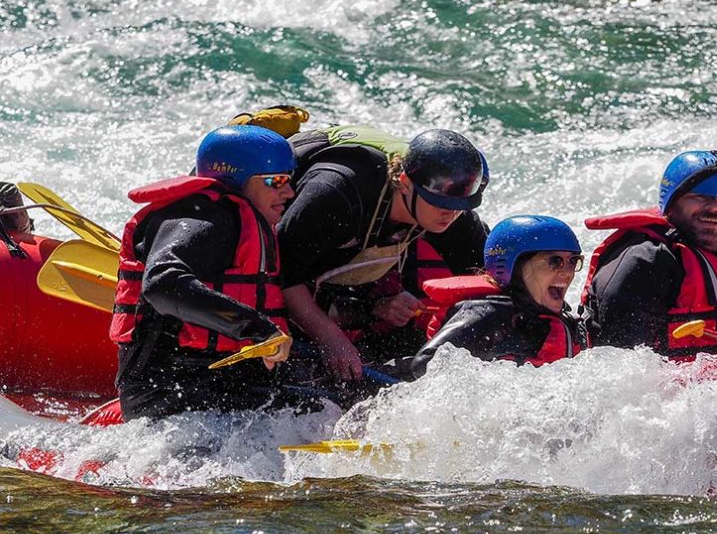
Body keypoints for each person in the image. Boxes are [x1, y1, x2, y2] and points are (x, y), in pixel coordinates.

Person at [110, 126, 325, 420]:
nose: (289, 192)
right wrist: (256, 329)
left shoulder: (239, 219)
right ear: (235, 180)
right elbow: (162, 284)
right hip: (168, 391)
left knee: (329, 403)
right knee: (321, 414)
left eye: (290, 180)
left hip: (214, 382)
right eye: (276, 181)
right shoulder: (201, 218)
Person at [275, 126, 490, 383]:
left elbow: (492, 276)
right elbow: (283, 274)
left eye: (460, 206)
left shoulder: (449, 209)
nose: (451, 213)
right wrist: (330, 339)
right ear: (405, 183)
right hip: (285, 268)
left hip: (346, 283)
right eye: (441, 203)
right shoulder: (334, 193)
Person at [581, 144, 717, 359]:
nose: (715, 208)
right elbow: (618, 367)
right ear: (671, 204)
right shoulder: (643, 261)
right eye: (700, 196)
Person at [408, 215, 588, 378]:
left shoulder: (561, 319)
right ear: (514, 266)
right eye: (555, 261)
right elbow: (424, 364)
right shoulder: (489, 313)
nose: (567, 272)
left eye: (573, 261)